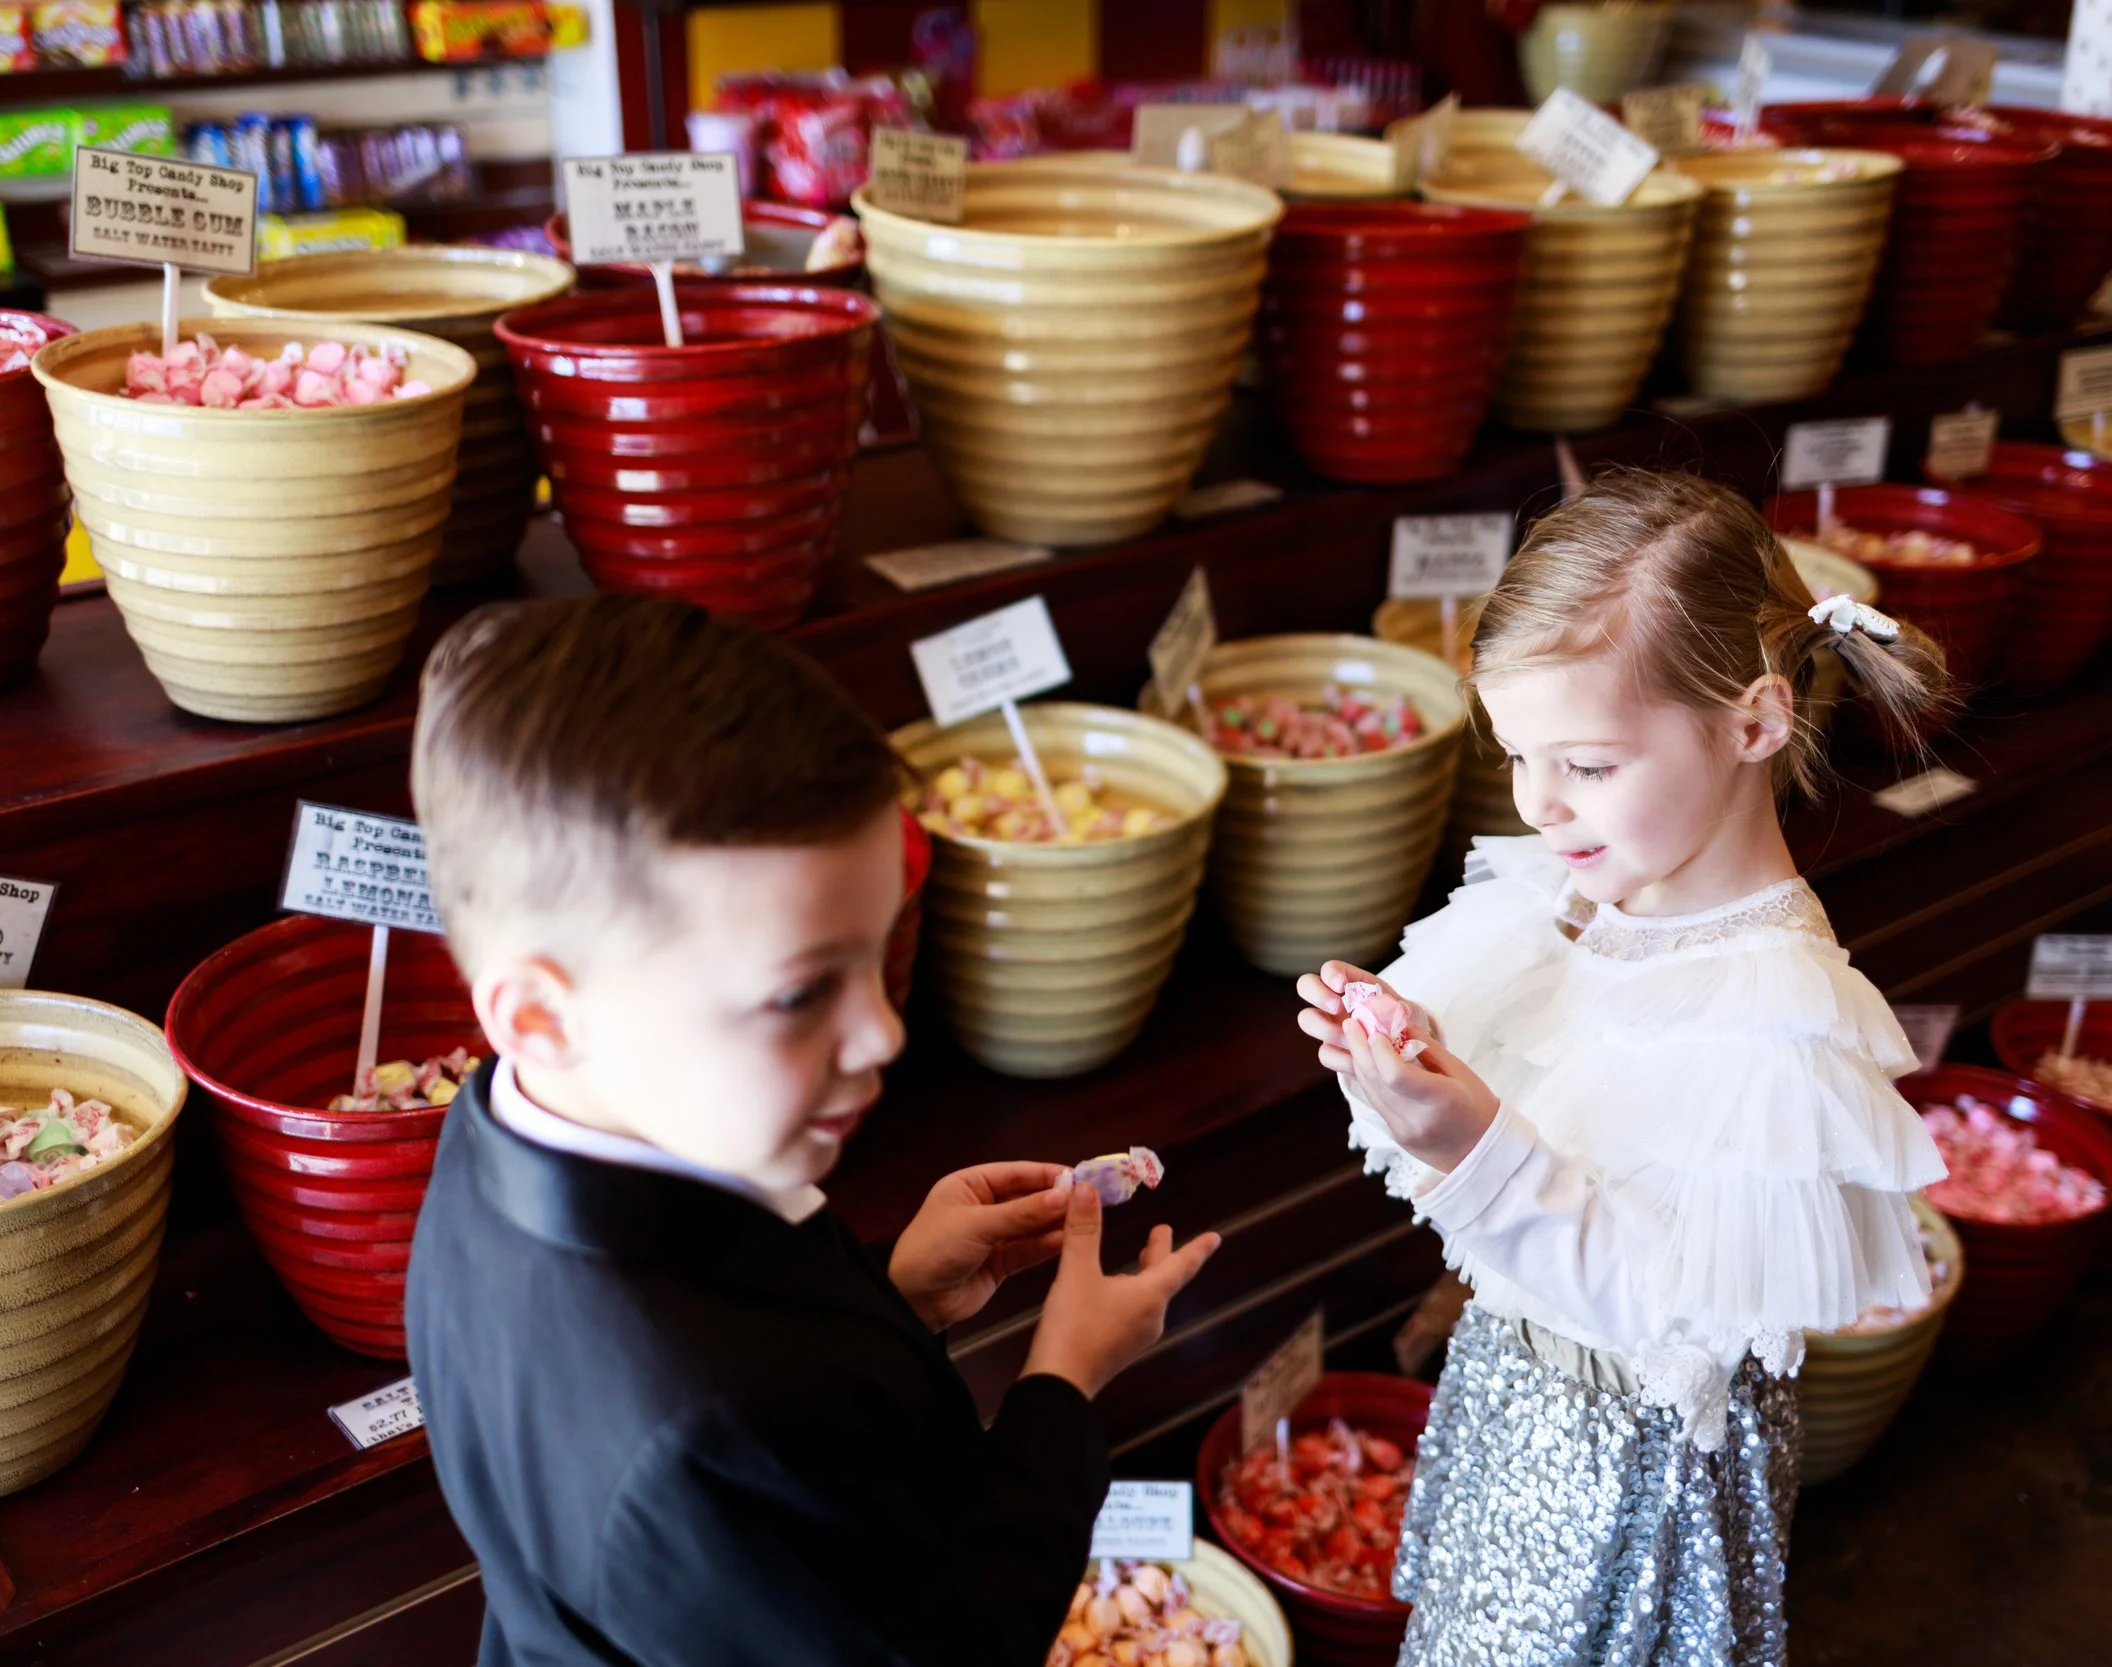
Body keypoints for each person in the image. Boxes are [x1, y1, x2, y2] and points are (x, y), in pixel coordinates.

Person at [404, 594, 1220, 1667]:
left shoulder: (497, 1134)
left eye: (876, 950)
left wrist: (897, 1292)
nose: (882, 1031)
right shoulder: (700, 1432)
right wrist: (1063, 1379)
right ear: (544, 1016)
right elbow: (942, 1646)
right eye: (799, 993)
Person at [1295, 471, 1952, 1666]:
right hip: (1519, 1398)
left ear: (1753, 721)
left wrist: (1471, 1145)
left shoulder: (1776, 1010)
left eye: (1587, 764)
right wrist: (1401, 1062)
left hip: (1625, 1471)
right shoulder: (1569, 890)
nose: (1539, 804)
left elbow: (1680, 1330)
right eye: (1516, 757)